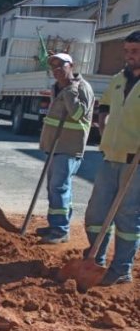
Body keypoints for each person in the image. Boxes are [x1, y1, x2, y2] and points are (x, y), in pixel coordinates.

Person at [83, 30, 140, 284]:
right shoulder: (118, 79)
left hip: (135, 161)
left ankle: (121, 269)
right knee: (97, 212)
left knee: (127, 215)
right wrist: (103, 129)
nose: (129, 56)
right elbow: (104, 107)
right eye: (127, 51)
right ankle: (96, 259)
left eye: (135, 52)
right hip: (110, 157)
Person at [36, 52, 95, 244]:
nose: (57, 71)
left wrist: (70, 91)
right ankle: (55, 225)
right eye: (53, 67)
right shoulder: (57, 87)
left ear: (72, 66)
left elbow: (78, 114)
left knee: (59, 187)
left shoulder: (81, 88)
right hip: (54, 145)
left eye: (61, 66)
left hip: (69, 146)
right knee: (53, 187)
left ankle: (61, 230)